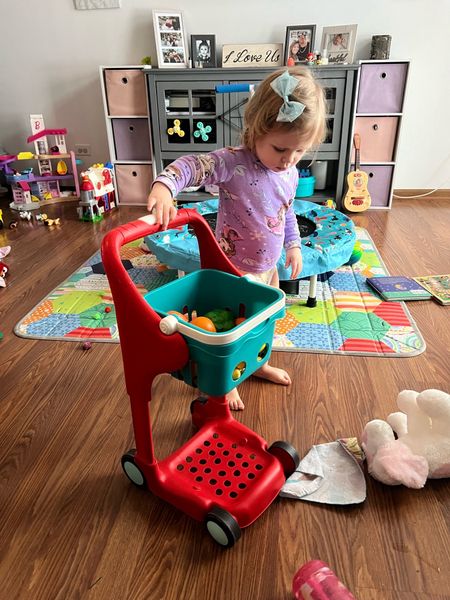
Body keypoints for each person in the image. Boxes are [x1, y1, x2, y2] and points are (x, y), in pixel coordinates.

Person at [147, 66, 326, 410]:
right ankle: (228, 379)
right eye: (279, 148)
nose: (289, 160)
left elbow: (287, 210)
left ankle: (258, 364)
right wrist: (164, 187)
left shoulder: (288, 171)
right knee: (231, 331)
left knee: (263, 323)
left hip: (268, 266)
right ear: (255, 130)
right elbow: (191, 166)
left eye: (299, 152)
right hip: (232, 268)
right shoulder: (232, 162)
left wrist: (293, 244)